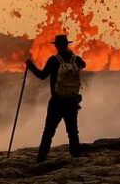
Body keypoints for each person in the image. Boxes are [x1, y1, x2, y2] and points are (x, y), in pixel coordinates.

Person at [25, 34, 86, 162]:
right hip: (72, 102)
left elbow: (42, 76)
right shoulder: (76, 59)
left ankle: (41, 158)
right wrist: (72, 57)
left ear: (57, 46)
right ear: (67, 45)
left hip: (57, 102)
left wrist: (30, 66)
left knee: (48, 132)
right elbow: (83, 64)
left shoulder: (54, 60)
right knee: (73, 131)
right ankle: (76, 156)